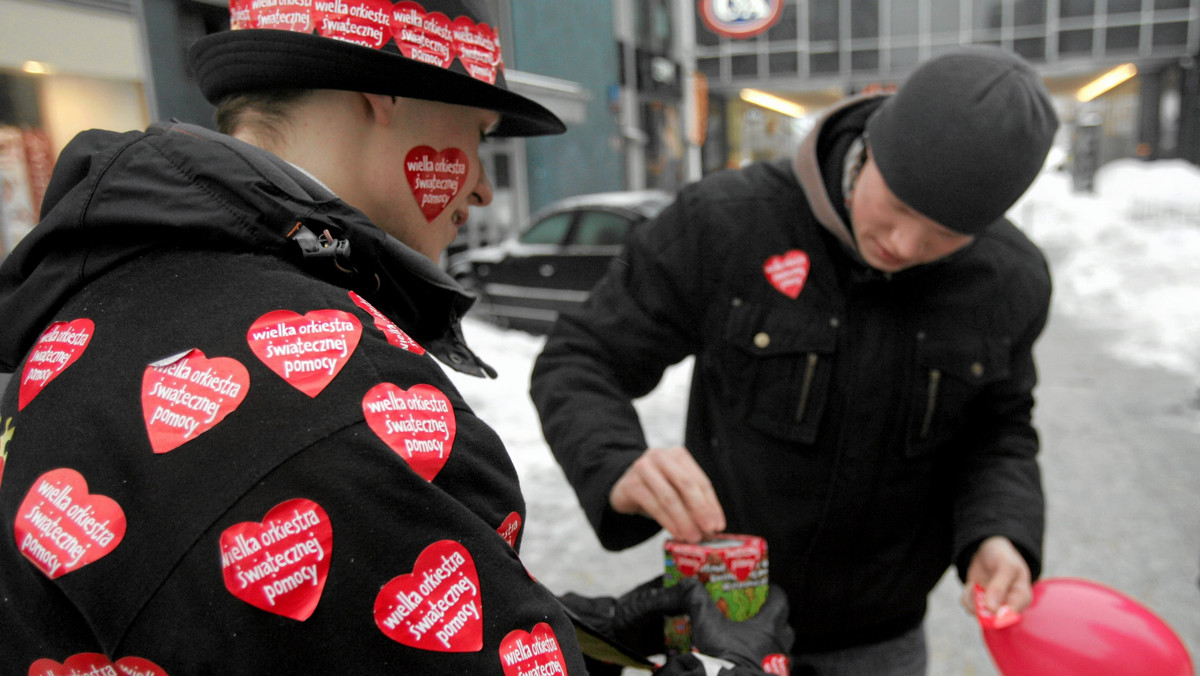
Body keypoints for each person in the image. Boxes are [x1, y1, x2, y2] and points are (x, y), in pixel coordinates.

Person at [0, 1, 792, 673]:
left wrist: (559, 629)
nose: (481, 185)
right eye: (478, 131)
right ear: (382, 95)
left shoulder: (116, 292)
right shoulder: (331, 400)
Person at [531, 45, 1059, 674]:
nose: (904, 245)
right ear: (870, 148)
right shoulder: (727, 222)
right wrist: (616, 461)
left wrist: (1002, 530)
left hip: (882, 645)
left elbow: (998, 430)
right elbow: (579, 355)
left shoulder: (1008, 280)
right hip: (720, 627)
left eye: (943, 237)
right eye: (897, 208)